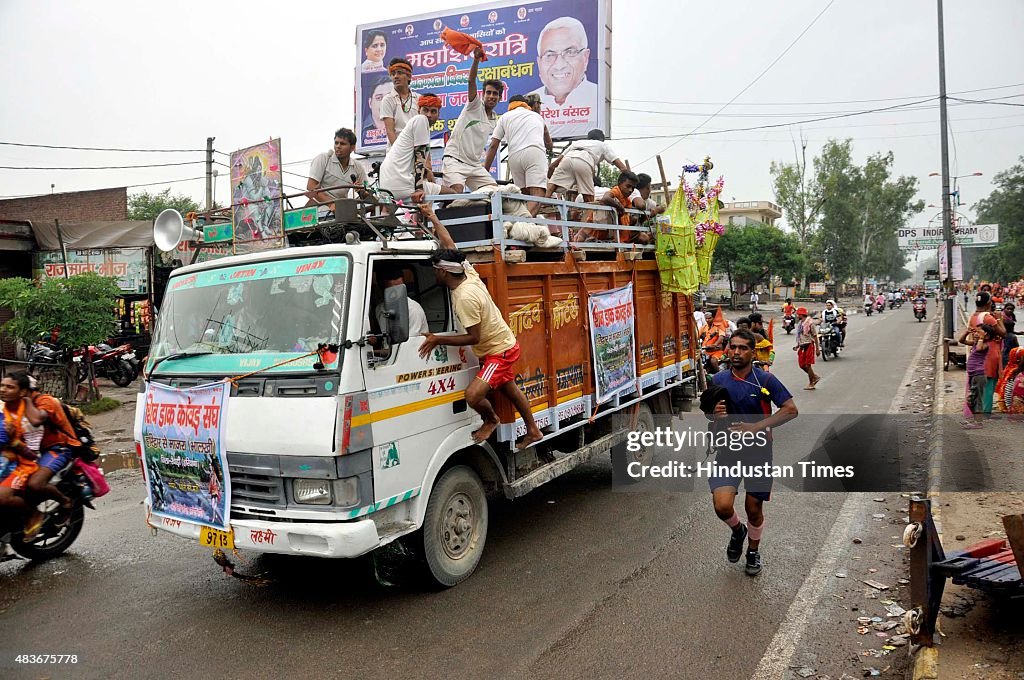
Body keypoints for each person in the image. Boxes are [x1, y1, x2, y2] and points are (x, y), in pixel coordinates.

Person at [417, 205, 544, 450]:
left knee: (473, 396)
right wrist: (432, 216)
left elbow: (473, 337)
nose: (433, 273)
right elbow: (449, 242)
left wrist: (437, 339)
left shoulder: (464, 296)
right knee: (510, 389)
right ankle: (533, 429)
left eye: (435, 270)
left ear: (444, 272)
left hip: (498, 351)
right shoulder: (466, 272)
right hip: (500, 346)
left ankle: (491, 419)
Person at [708, 328, 798, 576]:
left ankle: (753, 552)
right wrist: (714, 415)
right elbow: (708, 410)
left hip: (758, 452)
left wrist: (755, 427)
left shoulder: (765, 380)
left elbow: (790, 409)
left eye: (743, 348)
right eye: (733, 347)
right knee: (722, 506)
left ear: (753, 351)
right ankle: (738, 532)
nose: (736, 352)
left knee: (753, 508)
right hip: (728, 451)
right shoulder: (718, 380)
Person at [5, 373, 78, 536]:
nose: (5, 391)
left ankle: (65, 503)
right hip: (31, 451)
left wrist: (26, 400)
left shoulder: (46, 401)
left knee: (35, 484)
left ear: (24, 391)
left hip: (58, 448)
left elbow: (37, 419)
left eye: (12, 388)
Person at [378, 93, 456, 203]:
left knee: (421, 211)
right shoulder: (420, 120)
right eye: (425, 110)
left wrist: (427, 173)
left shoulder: (415, 124)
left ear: (438, 114)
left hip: (387, 187)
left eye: (433, 111)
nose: (428, 115)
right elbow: (420, 157)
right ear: (419, 110)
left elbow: (417, 162)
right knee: (453, 195)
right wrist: (419, 189)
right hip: (401, 185)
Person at [441, 49, 500, 194]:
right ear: (483, 94)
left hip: (474, 166)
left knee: (495, 194)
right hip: (454, 159)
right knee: (456, 193)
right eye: (489, 92)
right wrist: (476, 59)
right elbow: (471, 80)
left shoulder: (494, 119)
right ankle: (435, 199)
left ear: (499, 97)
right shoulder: (475, 105)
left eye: (495, 94)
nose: (491, 96)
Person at [527, 17, 597, 138]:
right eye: (549, 54)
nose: (559, 65)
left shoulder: (597, 98)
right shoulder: (526, 103)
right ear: (539, 63)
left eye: (570, 52)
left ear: (585, 58)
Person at [483, 95, 548, 215]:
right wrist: (549, 149)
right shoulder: (536, 116)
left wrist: (485, 170)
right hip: (534, 152)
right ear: (526, 105)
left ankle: (522, 225)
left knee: (523, 197)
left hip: (514, 157)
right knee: (537, 195)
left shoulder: (504, 117)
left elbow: (493, 145)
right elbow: (548, 140)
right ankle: (520, 224)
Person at [959, 291, 1007, 428]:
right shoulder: (988, 317)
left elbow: (964, 340)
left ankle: (979, 415)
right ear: (988, 303)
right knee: (988, 384)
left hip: (978, 356)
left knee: (978, 388)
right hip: (990, 353)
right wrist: (999, 319)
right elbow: (1003, 333)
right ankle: (984, 414)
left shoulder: (974, 317)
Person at [546, 129, 627, 206]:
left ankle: (539, 205)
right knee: (589, 200)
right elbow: (622, 168)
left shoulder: (577, 143)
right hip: (585, 160)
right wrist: (629, 182)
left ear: (588, 138)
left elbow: (552, 166)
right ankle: (587, 219)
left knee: (550, 188)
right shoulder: (602, 144)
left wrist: (553, 180)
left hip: (567, 159)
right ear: (602, 139)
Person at [306, 128, 369, 208]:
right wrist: (331, 204)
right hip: (321, 210)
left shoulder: (357, 166)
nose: (338, 146)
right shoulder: (323, 158)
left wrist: (362, 191)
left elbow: (367, 194)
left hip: (343, 211)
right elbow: (310, 187)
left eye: (342, 144)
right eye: (336, 143)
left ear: (352, 148)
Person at [374, 261, 430, 339]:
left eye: (401, 288)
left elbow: (408, 343)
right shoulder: (379, 309)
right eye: (393, 290)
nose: (398, 293)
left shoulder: (413, 309)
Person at [381, 58, 420, 147]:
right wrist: (398, 153)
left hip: (415, 150)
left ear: (409, 76)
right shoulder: (388, 99)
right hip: (396, 152)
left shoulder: (419, 99)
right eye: (393, 74)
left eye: (399, 73)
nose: (396, 76)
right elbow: (390, 131)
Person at [362, 76, 395, 146]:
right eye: (379, 98)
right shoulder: (360, 131)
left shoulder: (407, 124)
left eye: (390, 97)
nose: (385, 102)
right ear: (370, 103)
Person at [794, 307, 820, 389]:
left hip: (809, 344)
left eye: (798, 314)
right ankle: (814, 376)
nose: (797, 315)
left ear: (801, 314)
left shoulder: (810, 323)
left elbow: (815, 336)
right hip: (802, 345)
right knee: (802, 365)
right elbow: (799, 336)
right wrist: (797, 345)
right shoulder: (800, 324)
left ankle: (811, 383)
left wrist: (817, 349)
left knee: (808, 365)